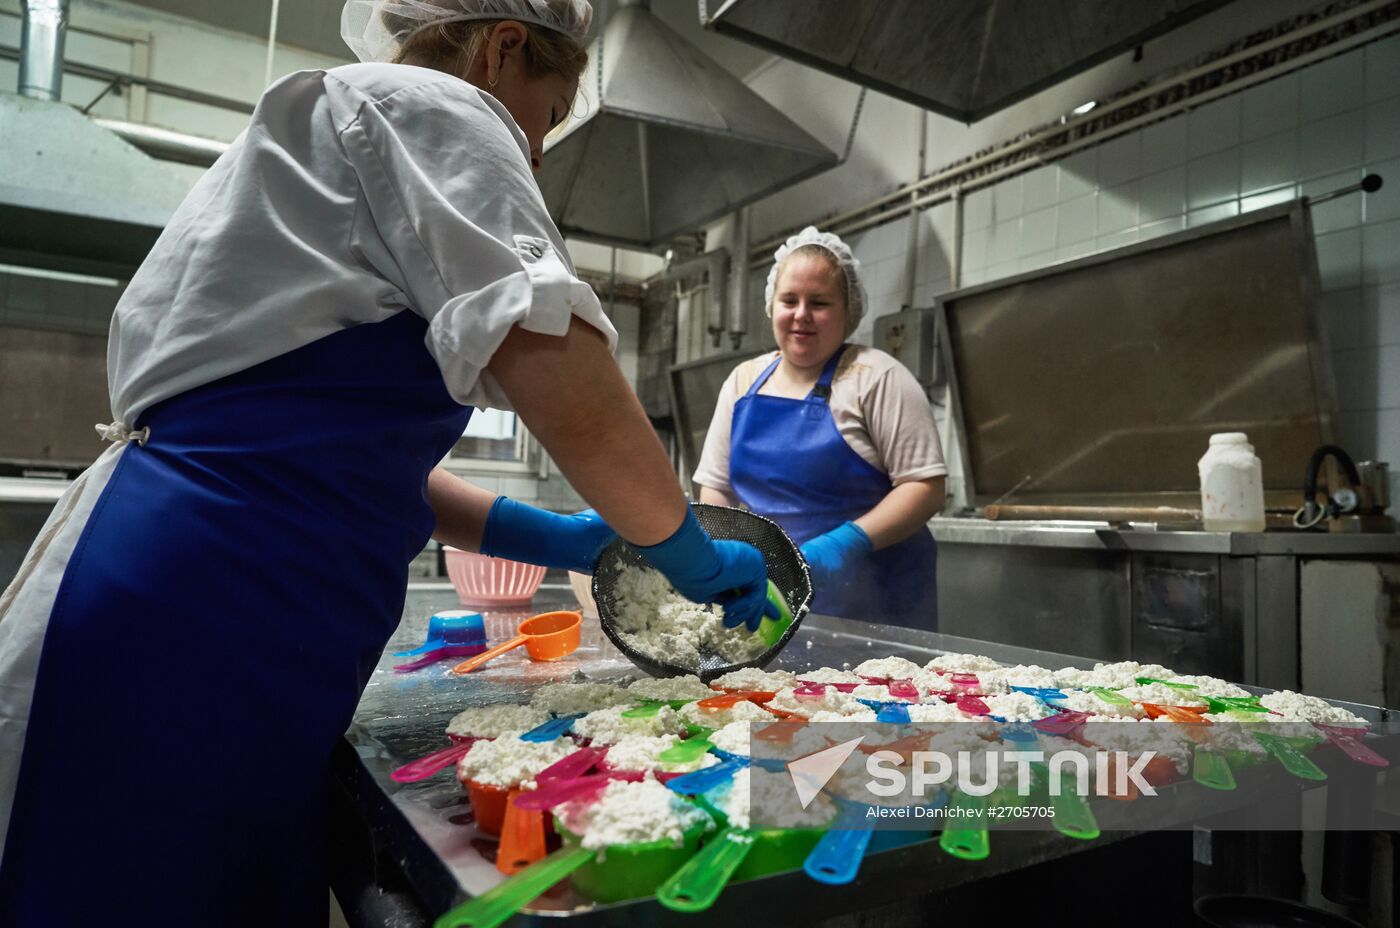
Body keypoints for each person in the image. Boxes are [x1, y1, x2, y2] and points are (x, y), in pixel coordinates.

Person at [0, 2, 773, 925]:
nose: (535, 154)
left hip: (195, 585)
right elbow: (560, 365)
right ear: (504, 45)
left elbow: (324, 458)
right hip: (206, 616)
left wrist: (556, 534)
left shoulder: (348, 132)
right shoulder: (433, 106)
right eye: (551, 113)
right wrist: (683, 548)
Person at [694, 226, 947, 628]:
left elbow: (925, 487)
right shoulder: (744, 380)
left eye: (820, 302)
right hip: (771, 599)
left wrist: (845, 544)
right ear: (771, 306)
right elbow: (716, 487)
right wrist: (729, 558)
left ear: (849, 311)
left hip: (878, 609)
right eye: (789, 300)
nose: (801, 315)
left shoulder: (876, 376)